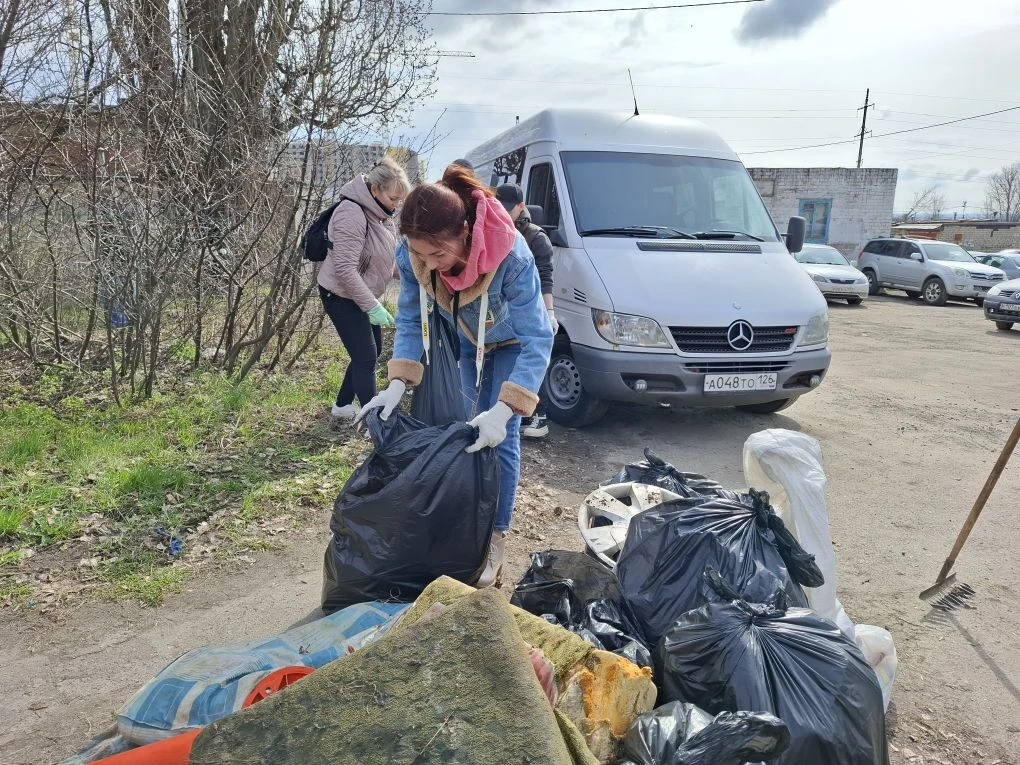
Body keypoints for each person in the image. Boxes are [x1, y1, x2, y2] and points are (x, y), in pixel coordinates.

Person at [356, 164, 554, 587]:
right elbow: (410, 318)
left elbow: (539, 338)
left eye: (438, 255)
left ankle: (495, 537)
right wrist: (397, 382)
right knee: (466, 426)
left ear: (465, 232)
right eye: (422, 256)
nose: (431, 265)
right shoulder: (414, 255)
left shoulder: (512, 256)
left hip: (512, 342)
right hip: (465, 337)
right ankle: (467, 518)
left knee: (499, 433)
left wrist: (506, 409)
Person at [318, 157, 411, 420]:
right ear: (375, 189)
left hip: (362, 295)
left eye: (400, 200)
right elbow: (345, 269)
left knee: (370, 352)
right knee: (366, 357)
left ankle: (342, 406)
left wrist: (412, 276)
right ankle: (375, 421)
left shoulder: (382, 215)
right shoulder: (351, 213)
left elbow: (385, 260)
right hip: (340, 294)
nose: (396, 205)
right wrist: (372, 306)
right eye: (393, 198)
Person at [494, 182, 556, 438]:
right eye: (500, 207)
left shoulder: (535, 237)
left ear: (521, 207)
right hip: (504, 311)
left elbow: (546, 277)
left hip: (531, 306)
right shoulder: (495, 231)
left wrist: (549, 313)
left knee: (534, 354)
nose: (504, 213)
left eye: (509, 208)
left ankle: (538, 414)